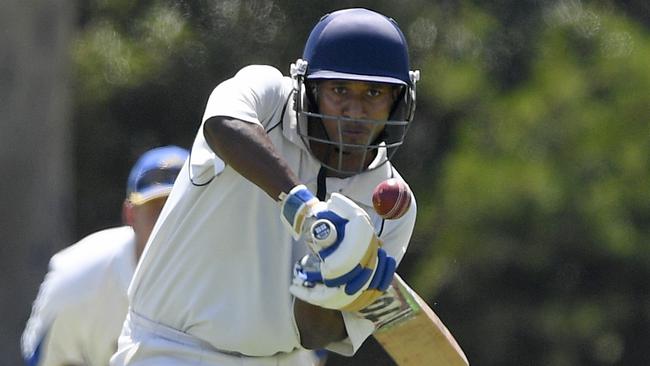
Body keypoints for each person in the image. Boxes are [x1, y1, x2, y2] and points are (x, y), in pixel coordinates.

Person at [111, 8, 420, 366]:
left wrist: (323, 284)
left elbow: (317, 335)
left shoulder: (392, 206)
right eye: (339, 90)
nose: (354, 110)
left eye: (373, 92)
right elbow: (222, 124)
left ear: (399, 100)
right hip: (170, 349)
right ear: (310, 88)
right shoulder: (269, 98)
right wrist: (305, 211)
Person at [21, 145, 189, 366]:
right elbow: (47, 359)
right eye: (158, 209)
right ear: (130, 214)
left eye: (183, 209)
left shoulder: (233, 276)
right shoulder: (77, 277)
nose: (170, 223)